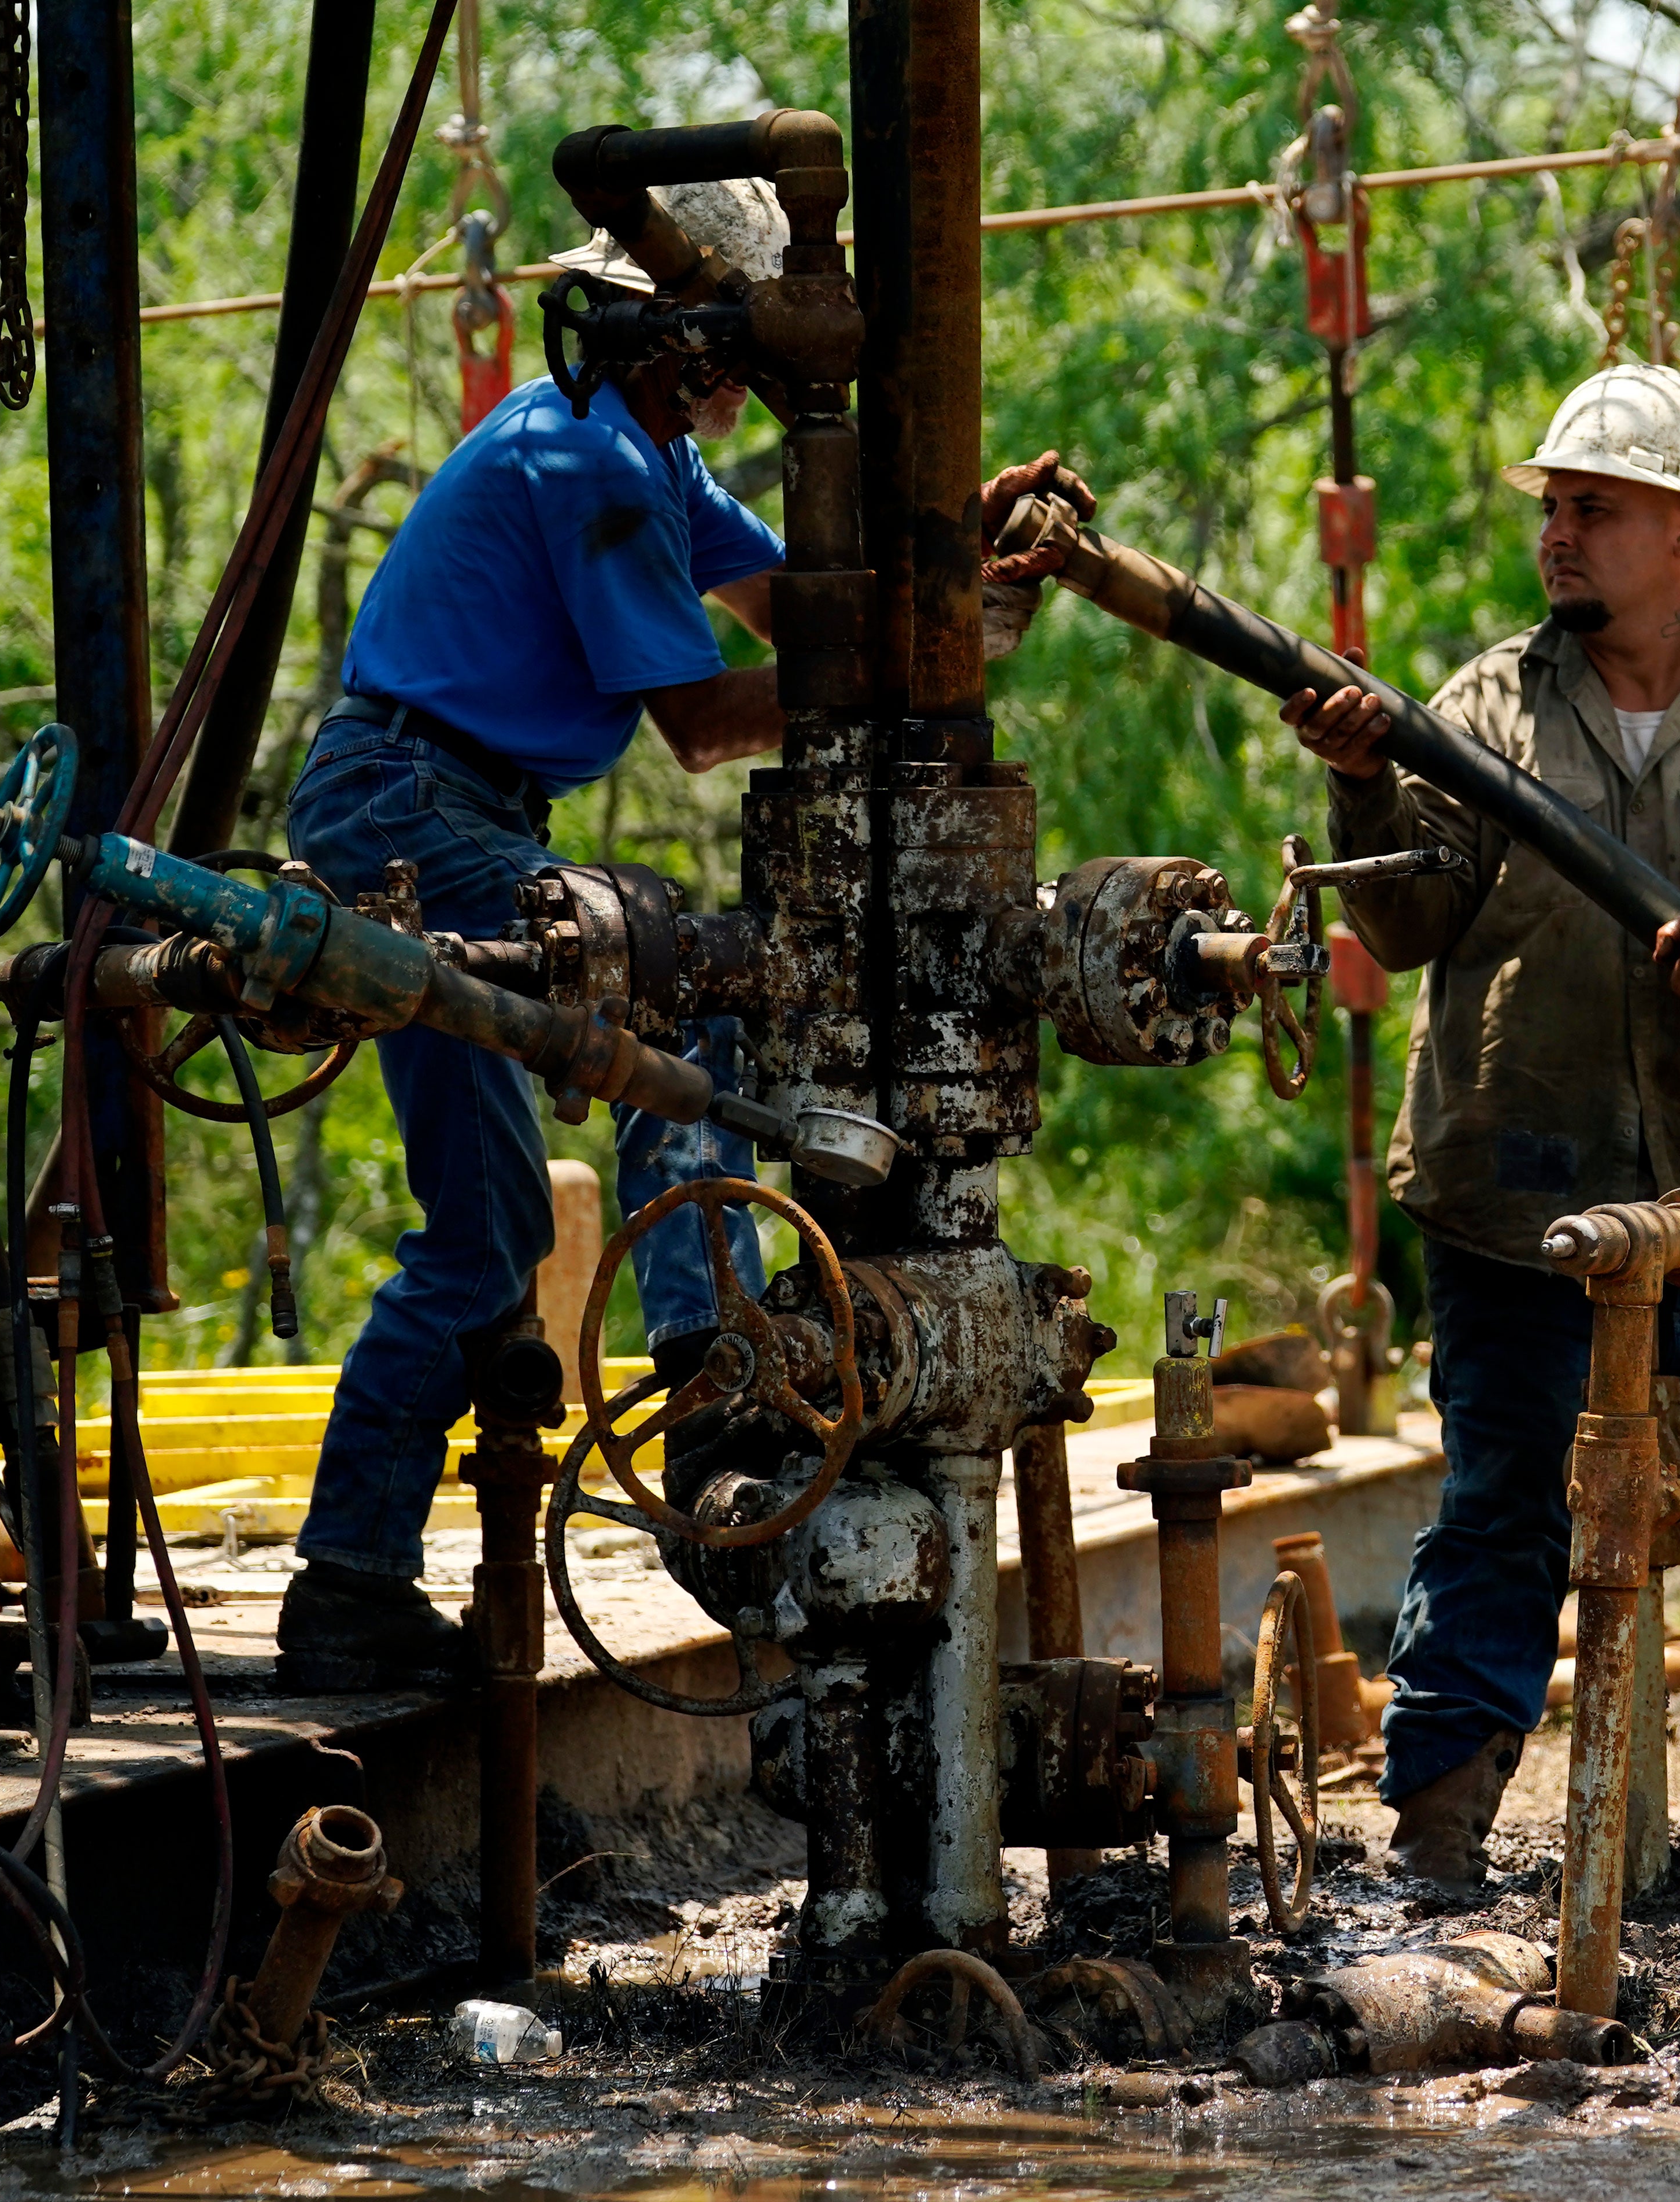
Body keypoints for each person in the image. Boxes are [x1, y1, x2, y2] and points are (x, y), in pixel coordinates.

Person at [273, 178, 1087, 1689]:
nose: (739, 385)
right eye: (739, 353)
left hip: (460, 808)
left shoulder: (641, 452)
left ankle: (682, 1366)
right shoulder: (587, 463)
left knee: (658, 1046)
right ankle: (666, 1401)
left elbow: (802, 615)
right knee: (498, 1227)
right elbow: (711, 725)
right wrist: (924, 646)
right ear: (698, 341)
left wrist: (937, 575)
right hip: (410, 809)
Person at [1280, 364, 1680, 1883]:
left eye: (1594, 509)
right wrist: (1368, 792)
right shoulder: (1481, 709)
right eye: (1554, 509)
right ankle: (1438, 1831)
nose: (1558, 535)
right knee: (1505, 1510)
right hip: (1522, 1207)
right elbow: (1422, 923)